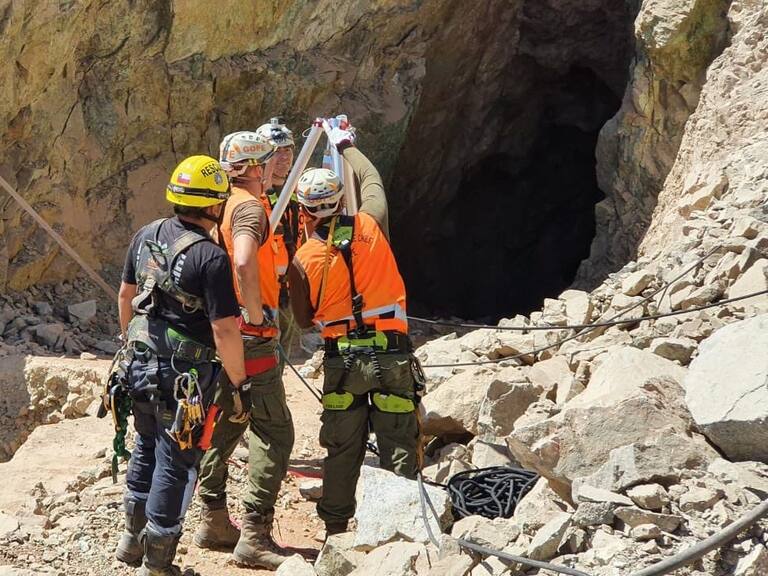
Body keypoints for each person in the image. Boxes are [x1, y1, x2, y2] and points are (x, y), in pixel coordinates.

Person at [114, 155, 251, 576]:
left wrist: (131, 345)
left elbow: (126, 296)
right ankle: (157, 563)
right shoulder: (210, 257)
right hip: (183, 377)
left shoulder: (146, 234)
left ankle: (130, 544)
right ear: (213, 204)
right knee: (176, 460)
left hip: (138, 364)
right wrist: (239, 383)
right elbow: (225, 330)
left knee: (145, 445)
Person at [287, 123, 422, 537]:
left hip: (343, 361)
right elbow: (371, 180)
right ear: (343, 200)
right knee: (398, 441)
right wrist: (344, 143)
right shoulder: (370, 225)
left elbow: (304, 319)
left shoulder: (302, 260)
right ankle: (400, 528)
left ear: (304, 212)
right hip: (391, 354)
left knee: (342, 447)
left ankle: (336, 528)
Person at [194, 131, 295, 569]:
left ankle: (213, 518)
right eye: (268, 160)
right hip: (250, 335)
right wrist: (255, 314)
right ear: (255, 166)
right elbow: (242, 260)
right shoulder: (250, 208)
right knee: (274, 431)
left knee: (227, 420)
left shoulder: (220, 205)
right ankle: (255, 534)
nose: (274, 167)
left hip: (221, 333)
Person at [256, 118, 303, 357]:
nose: (284, 157)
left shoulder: (297, 191)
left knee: (282, 351)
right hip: (263, 290)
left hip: (289, 289)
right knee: (264, 355)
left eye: (288, 150)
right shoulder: (254, 197)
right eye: (277, 151)